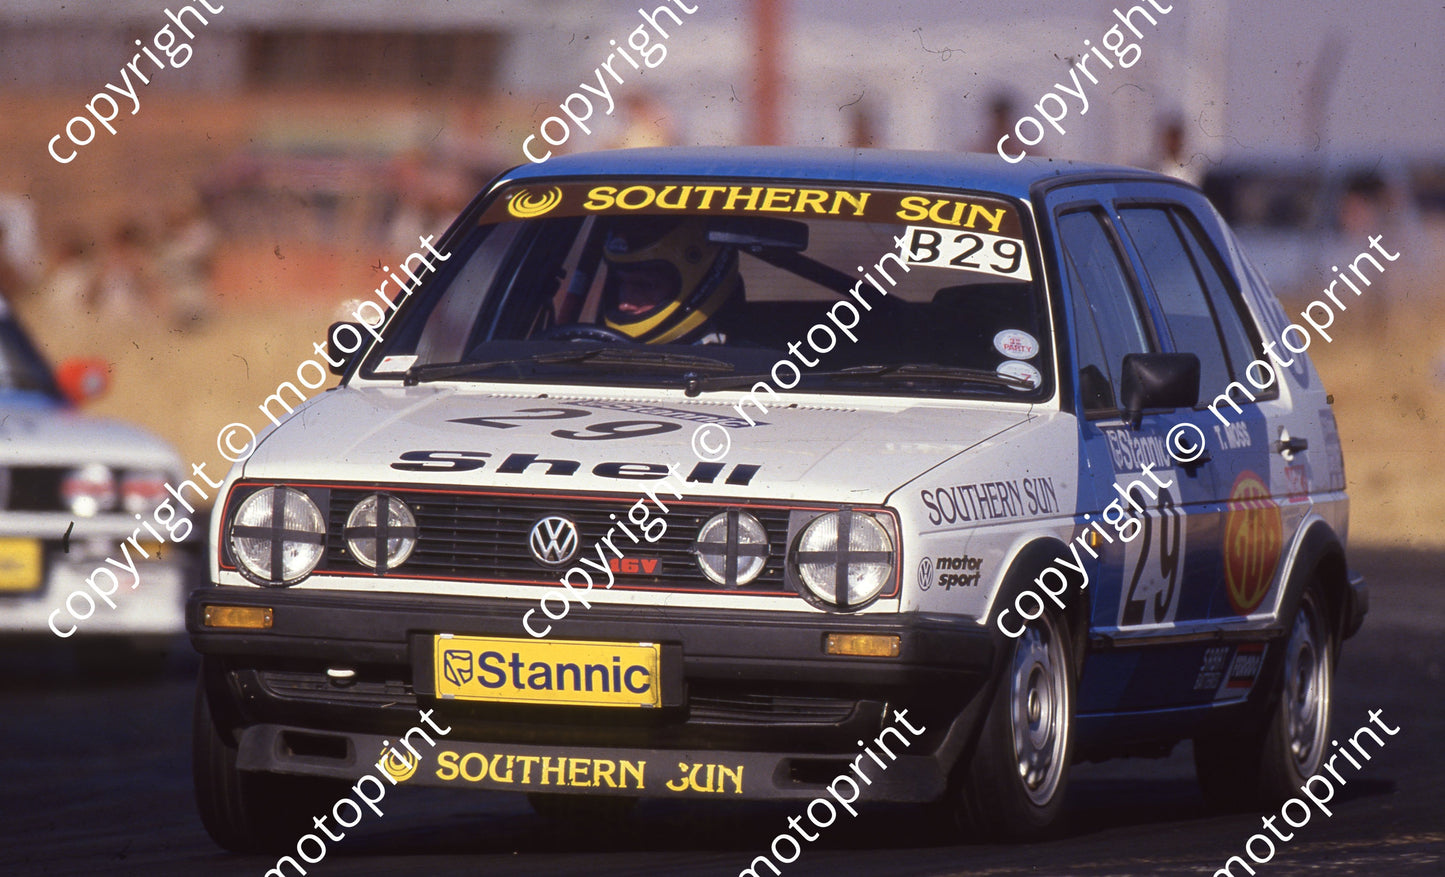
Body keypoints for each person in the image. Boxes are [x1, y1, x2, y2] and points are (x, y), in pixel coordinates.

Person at [600, 218, 741, 344]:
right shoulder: (587, 350)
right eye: (619, 284)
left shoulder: (742, 364)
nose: (624, 305)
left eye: (644, 286)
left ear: (698, 282)